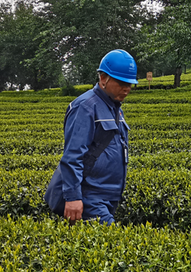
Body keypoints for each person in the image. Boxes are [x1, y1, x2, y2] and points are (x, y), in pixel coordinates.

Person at [45, 50, 137, 225]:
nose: (127, 88)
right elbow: (73, 156)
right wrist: (73, 197)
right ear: (103, 79)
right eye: (121, 82)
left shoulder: (115, 107)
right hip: (89, 196)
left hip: (108, 196)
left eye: (130, 84)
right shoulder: (85, 107)